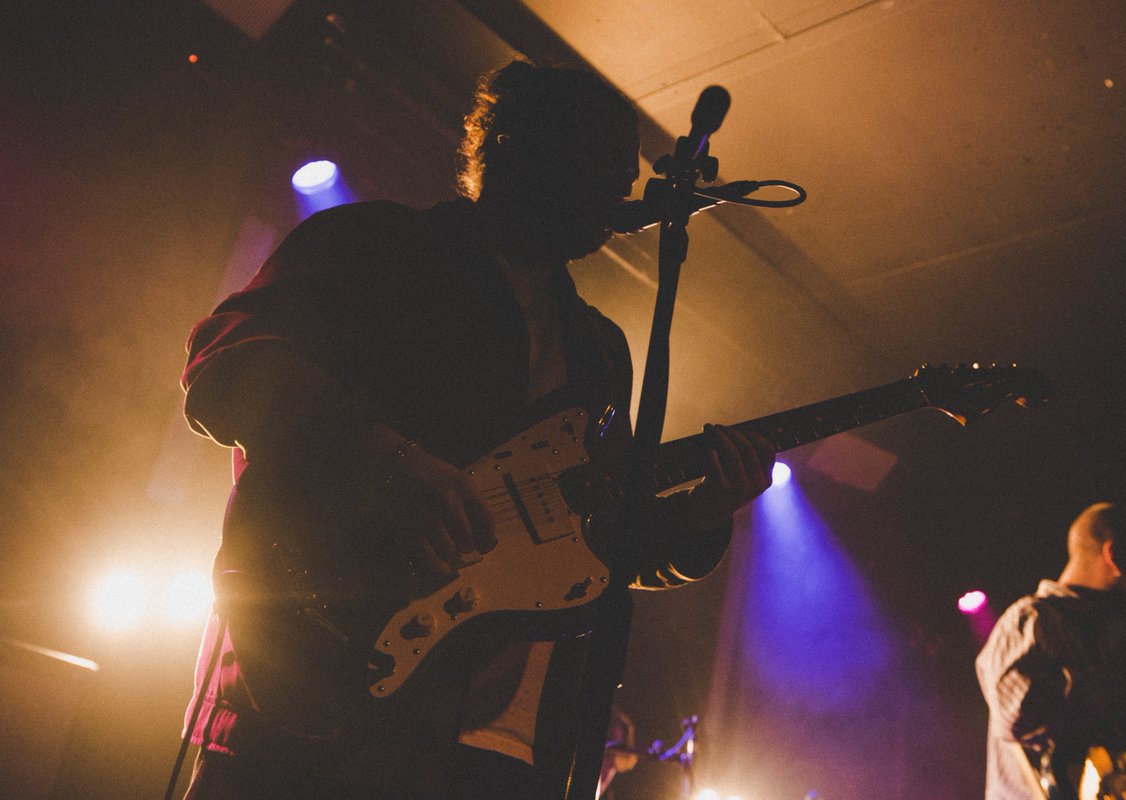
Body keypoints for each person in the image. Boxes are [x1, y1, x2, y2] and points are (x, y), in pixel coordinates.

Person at [178, 59, 775, 800]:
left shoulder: (596, 348)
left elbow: (594, 542)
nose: (623, 189)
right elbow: (228, 368)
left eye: (627, 173)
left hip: (501, 743)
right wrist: (393, 462)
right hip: (324, 688)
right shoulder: (379, 247)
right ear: (520, 149)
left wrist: (695, 519)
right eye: (604, 165)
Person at [975, 502, 1126, 800]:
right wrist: (1112, 678)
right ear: (1114, 557)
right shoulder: (1034, 618)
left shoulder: (1098, 633)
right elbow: (1016, 716)